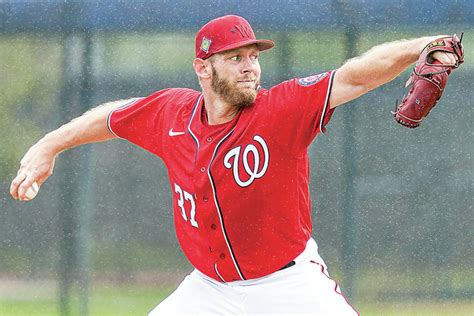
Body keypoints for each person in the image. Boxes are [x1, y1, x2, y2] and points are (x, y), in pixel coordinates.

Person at [10, 15, 457, 315]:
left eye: (254, 57)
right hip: (209, 291)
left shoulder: (281, 109)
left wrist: (421, 45)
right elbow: (110, 117)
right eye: (235, 58)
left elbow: (356, 74)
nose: (250, 68)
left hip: (289, 286)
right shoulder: (171, 113)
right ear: (203, 68)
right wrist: (50, 145)